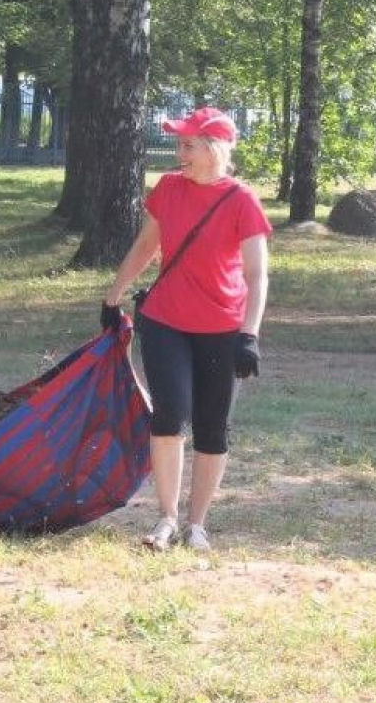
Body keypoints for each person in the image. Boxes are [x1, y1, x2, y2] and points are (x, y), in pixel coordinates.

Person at [100, 107, 272, 551]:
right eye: (179, 144)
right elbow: (145, 246)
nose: (180, 154)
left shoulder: (242, 201)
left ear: (214, 149)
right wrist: (113, 296)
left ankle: (197, 525)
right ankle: (166, 519)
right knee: (168, 417)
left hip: (223, 327)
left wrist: (249, 335)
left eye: (188, 145)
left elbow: (257, 276)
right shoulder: (170, 189)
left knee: (213, 426)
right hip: (165, 321)